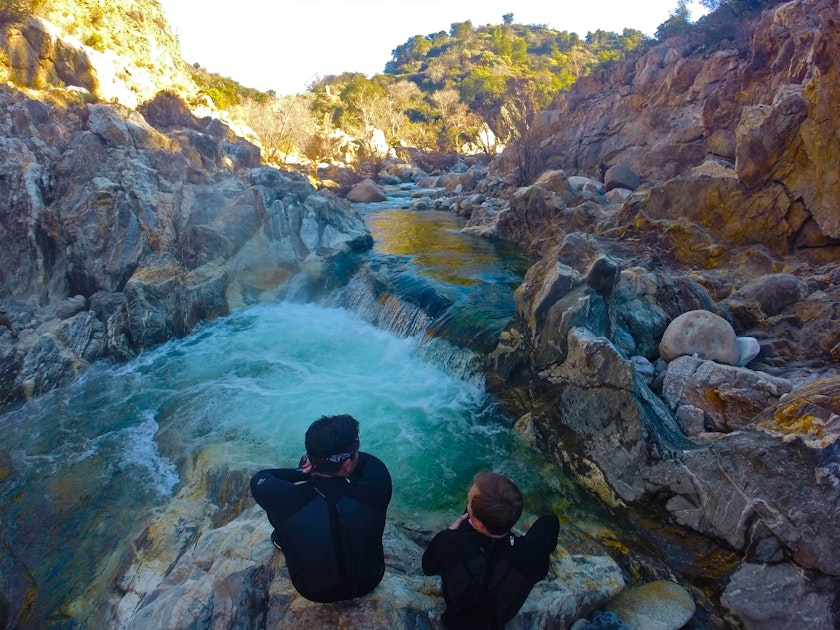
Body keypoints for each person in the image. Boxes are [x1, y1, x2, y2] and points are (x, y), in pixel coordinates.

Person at [250, 414, 392, 603]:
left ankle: (283, 542)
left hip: (314, 591)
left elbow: (262, 477)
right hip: (371, 580)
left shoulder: (287, 500)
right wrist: (340, 456)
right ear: (348, 464)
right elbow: (367, 462)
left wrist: (304, 471)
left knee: (277, 510)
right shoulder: (379, 484)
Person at [422, 470, 560, 629]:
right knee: (549, 521)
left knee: (467, 522)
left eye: (469, 500)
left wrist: (451, 533)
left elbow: (428, 568)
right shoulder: (532, 555)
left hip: (456, 610)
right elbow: (550, 522)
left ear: (479, 524)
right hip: (501, 616)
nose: (468, 494)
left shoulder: (448, 542)